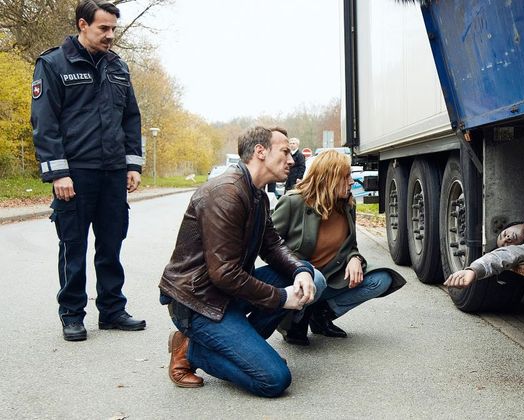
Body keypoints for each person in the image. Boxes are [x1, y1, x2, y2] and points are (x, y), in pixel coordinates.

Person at [159, 126, 326, 396]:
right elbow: (224, 273)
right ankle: (192, 349)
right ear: (260, 152)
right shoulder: (226, 193)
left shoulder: (257, 195)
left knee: (301, 280)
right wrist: (282, 298)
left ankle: (240, 350)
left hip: (225, 294)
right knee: (274, 379)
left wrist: (301, 271)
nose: (292, 159)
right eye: (284, 152)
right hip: (198, 302)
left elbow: (272, 245)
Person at [30, 0, 146, 342]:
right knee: (74, 245)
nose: (110, 35)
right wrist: (57, 173)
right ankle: (72, 314)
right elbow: (44, 122)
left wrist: (132, 164)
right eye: (103, 29)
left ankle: (112, 311)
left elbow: (131, 118)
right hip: (75, 173)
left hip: (112, 172)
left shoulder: (118, 68)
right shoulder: (53, 64)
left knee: (111, 244)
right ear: (83, 25)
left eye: (113, 29)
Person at [271, 150, 406, 346]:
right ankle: (293, 322)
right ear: (329, 178)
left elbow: (352, 246)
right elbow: (270, 245)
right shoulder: (294, 202)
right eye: (346, 176)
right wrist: (298, 268)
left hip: (330, 279)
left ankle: (321, 315)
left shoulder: (347, 206)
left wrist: (355, 259)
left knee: (382, 279)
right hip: (299, 279)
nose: (352, 182)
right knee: (315, 279)